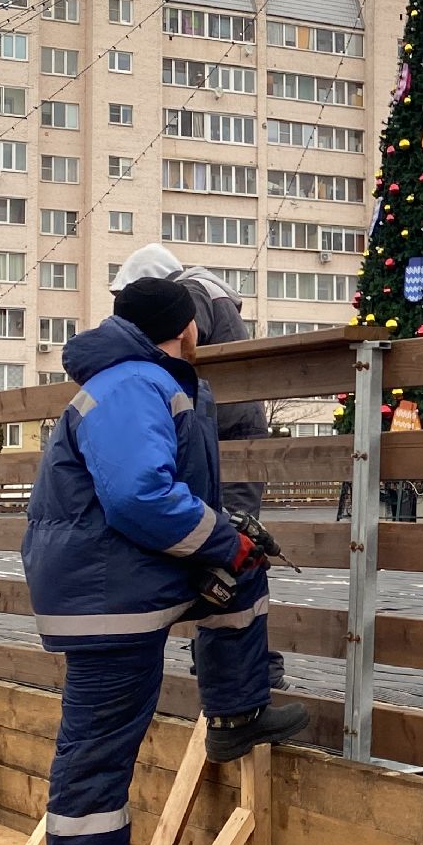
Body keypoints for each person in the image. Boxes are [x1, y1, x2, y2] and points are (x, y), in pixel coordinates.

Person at [23, 278, 308, 845]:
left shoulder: (139, 380)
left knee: (242, 570)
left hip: (121, 580)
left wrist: (226, 543)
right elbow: (138, 495)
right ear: (186, 329)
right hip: (108, 596)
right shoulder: (132, 385)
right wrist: (218, 537)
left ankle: (236, 714)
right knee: (95, 763)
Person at [110, 243, 288, 691]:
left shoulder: (193, 292)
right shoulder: (211, 289)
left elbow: (179, 339)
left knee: (230, 552)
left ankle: (250, 671)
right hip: (227, 435)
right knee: (228, 548)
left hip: (226, 439)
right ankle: (231, 670)